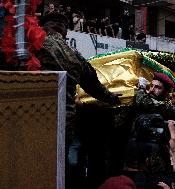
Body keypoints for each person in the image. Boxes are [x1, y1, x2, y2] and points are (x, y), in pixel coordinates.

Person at [35, 13, 121, 189]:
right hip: (62, 125)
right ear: (64, 30)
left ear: (43, 26)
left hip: (29, 118)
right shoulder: (73, 55)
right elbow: (93, 86)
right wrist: (112, 98)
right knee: (58, 173)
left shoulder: (31, 46)